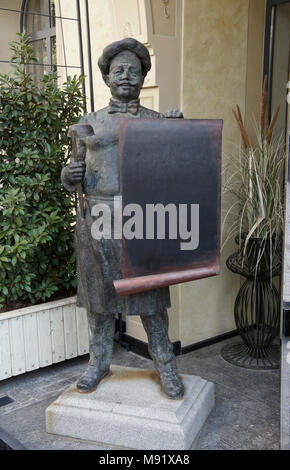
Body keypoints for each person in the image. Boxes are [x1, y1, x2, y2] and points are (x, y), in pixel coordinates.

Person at [61, 38, 184, 399]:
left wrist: (178, 134)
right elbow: (73, 172)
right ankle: (98, 362)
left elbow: (178, 170)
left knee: (151, 301)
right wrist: (68, 177)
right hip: (96, 220)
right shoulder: (88, 122)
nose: (126, 76)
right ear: (107, 77)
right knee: (99, 302)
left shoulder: (158, 121)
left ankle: (165, 364)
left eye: (134, 70)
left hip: (143, 221)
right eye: (119, 70)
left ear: (144, 76)